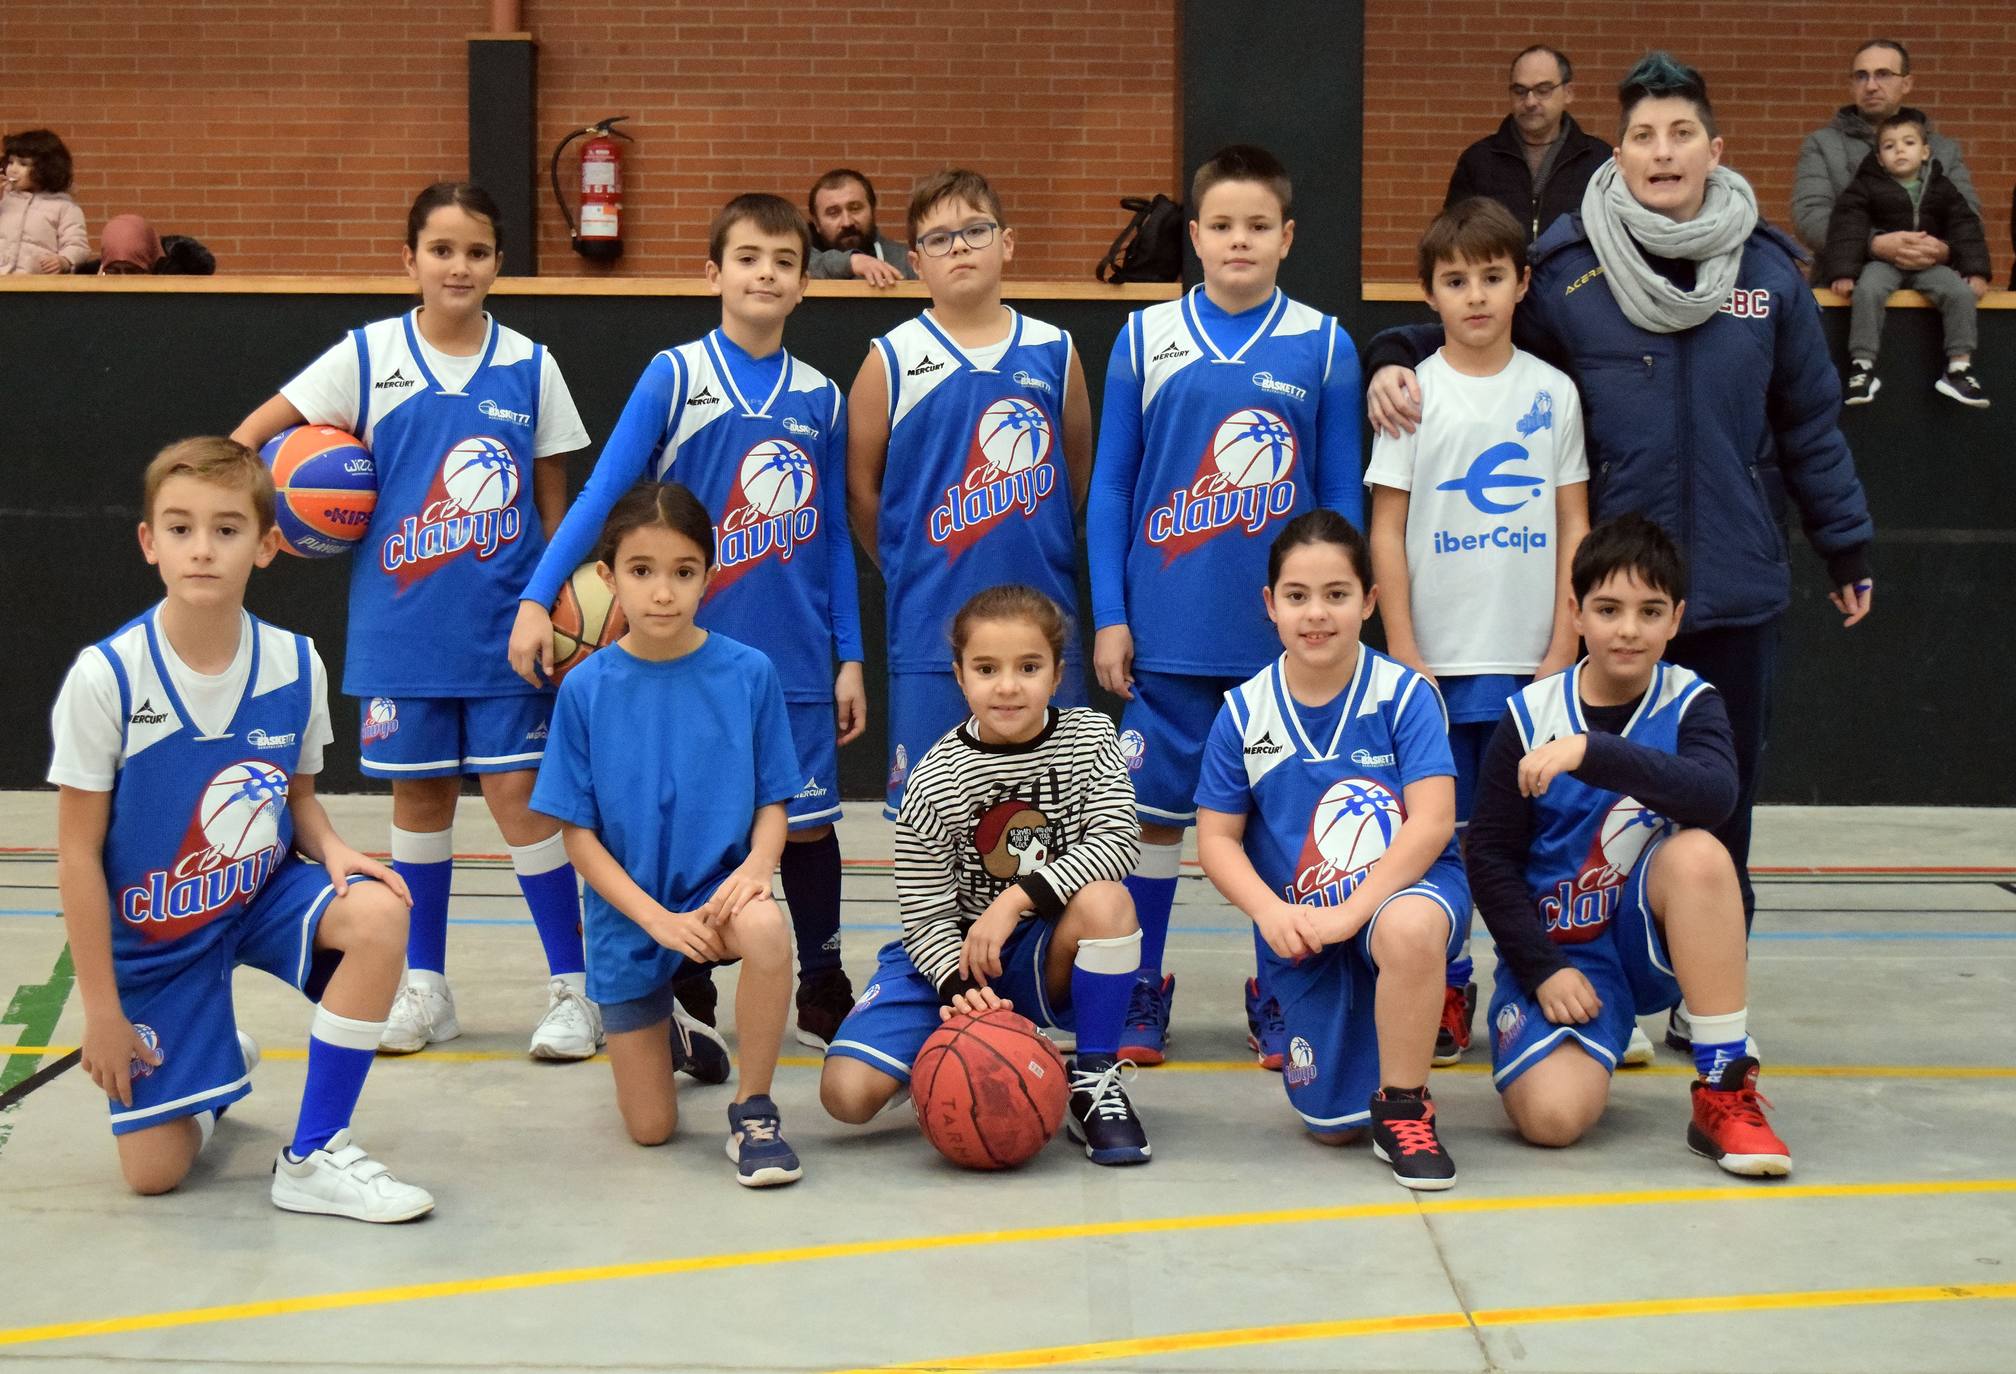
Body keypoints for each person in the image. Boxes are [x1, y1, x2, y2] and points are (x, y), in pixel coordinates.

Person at [1362, 55, 1875, 1057]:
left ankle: (1703, 997)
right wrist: (1390, 352)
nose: (1663, 152)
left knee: (1717, 807)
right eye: (1644, 135)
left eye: (1681, 133)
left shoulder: (1769, 276)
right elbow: (1473, 323)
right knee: (1589, 801)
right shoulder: (1569, 269)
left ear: (1714, 150)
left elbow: (1812, 423)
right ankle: (1596, 979)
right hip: (1612, 601)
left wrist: (1844, 540)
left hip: (1728, 590)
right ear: (1621, 152)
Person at [229, 182, 598, 1062]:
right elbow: (251, 438)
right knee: (420, 804)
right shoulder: (364, 357)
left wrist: (547, 606)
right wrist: (264, 521)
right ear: (410, 261)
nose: (458, 266)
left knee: (522, 805)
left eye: (475, 251)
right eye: (441, 249)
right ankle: (425, 988)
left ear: (498, 264)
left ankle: (574, 991)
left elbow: (559, 509)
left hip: (508, 630)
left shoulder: (530, 365)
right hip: (400, 631)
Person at [512, 193, 866, 1059]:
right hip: (684, 659)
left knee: (810, 826)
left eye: (784, 262)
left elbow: (831, 541)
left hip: (790, 654)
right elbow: (604, 492)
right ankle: (686, 985)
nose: (766, 274)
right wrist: (535, 595)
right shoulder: (677, 374)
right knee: (694, 824)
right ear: (714, 273)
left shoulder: (820, 395)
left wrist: (850, 653)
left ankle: (820, 982)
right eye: (748, 258)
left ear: (803, 285)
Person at [49, 437, 433, 1221]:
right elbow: (78, 855)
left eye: (226, 530)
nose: (202, 549)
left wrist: (332, 848)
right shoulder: (107, 677)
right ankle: (211, 1073)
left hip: (257, 898)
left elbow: (298, 801)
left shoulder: (296, 663)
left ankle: (316, 1151)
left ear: (266, 546)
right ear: (150, 542)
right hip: (158, 933)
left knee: (381, 912)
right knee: (153, 1175)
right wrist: (102, 1013)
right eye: (181, 528)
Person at [1084, 143, 1361, 1068]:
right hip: (1165, 632)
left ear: (1286, 237)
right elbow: (1112, 491)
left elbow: (1338, 505)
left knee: (1280, 819)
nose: (1239, 241)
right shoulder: (1143, 339)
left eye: (1257, 226)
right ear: (1194, 235)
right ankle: (1141, 990)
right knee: (1153, 823)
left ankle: (1275, 991)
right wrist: (1113, 614)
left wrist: (1340, 617)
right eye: (1221, 226)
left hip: (1280, 645)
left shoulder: (1325, 344)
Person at [1466, 514, 1790, 1177]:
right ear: (1576, 613)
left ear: (1676, 619)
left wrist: (1593, 753)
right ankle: (1600, 1035)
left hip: (1649, 941)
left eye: (1649, 611)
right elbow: (1490, 857)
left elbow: (1713, 795)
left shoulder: (1692, 701)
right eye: (1609, 609)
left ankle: (1724, 1086)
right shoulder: (1529, 714)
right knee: (1553, 1121)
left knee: (1700, 854)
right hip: (1565, 954)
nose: (1628, 629)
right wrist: (1541, 969)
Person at [1363, 197, 1590, 1069]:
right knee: (1442, 837)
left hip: (1531, 661)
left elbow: (1575, 522)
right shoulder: (1415, 395)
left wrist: (1563, 642)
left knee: (1534, 834)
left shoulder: (1553, 392)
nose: (1477, 296)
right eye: (1456, 281)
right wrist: (1406, 649)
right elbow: (1388, 526)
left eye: (1493, 277)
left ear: (1523, 283)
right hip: (1439, 664)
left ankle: (1531, 980)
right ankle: (1449, 984)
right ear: (1430, 294)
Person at [818, 584, 1152, 1166]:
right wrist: (959, 990)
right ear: (959, 676)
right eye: (986, 668)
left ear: (1056, 674)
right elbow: (925, 916)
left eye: (1028, 667)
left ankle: (1094, 1081)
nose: (1007, 685)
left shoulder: (1093, 739)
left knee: (1109, 902)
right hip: (951, 954)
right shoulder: (935, 778)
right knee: (844, 1096)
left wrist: (1017, 899)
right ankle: (947, 1060)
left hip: (1042, 946)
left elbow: (1120, 841)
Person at [529, 482, 802, 1185]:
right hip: (632, 911)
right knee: (651, 1131)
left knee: (769, 931)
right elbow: (578, 838)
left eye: (683, 572)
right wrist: (657, 921)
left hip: (721, 893)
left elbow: (775, 800)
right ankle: (671, 1028)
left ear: (709, 576)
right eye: (642, 571)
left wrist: (757, 870)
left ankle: (755, 1109)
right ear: (608, 576)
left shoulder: (749, 673)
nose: (662, 592)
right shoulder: (586, 690)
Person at [1195, 512, 1466, 1190]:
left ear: (1369, 602)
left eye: (1337, 594)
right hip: (1305, 925)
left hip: (1401, 896)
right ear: (1271, 606)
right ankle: (1361, 1048)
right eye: (1298, 596)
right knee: (1333, 1123)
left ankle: (1406, 1107)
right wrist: (1267, 911)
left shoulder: (1404, 696)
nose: (1317, 614)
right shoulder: (1244, 712)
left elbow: (1432, 822)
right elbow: (1216, 838)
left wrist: (1354, 912)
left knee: (1405, 928)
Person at [846, 168, 1093, 820]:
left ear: (1006, 243)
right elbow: (861, 492)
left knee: (1056, 822)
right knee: (936, 824)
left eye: (974, 231)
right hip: (933, 630)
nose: (959, 247)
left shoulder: (1054, 350)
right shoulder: (890, 358)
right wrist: (906, 564)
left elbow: (1076, 469)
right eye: (938, 238)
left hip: (1044, 623)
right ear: (914, 261)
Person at [1821, 113, 1991, 408]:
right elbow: (1848, 226)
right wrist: (1844, 271)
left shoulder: (1942, 187)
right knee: (1868, 290)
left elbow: (1965, 226)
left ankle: (1959, 367)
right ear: (1879, 158)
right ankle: (1862, 366)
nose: (1899, 150)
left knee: (1959, 293)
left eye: (1908, 143)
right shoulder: (1866, 185)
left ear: (1925, 151)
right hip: (1883, 264)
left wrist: (1975, 271)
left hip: (1930, 264)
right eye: (1889, 146)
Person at [1791, 39, 1979, 271]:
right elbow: (1811, 218)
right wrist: (1874, 244)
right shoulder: (1822, 144)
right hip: (1845, 287)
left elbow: (1968, 218)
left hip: (1932, 288)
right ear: (1851, 85)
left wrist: (1942, 250)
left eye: (1883, 74)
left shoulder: (1943, 150)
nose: (1871, 86)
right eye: (1861, 76)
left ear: (1907, 83)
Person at [1445, 46, 1612, 243]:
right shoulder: (1478, 161)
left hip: (1575, 274)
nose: (1530, 101)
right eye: (1520, 91)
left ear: (1568, 92)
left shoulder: (1599, 161)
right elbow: (1453, 238)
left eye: (1543, 90)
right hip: (1502, 273)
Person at [807, 168, 917, 286]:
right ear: (817, 223)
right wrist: (851, 262)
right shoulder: (801, 262)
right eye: (833, 213)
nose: (847, 222)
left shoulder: (906, 261)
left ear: (872, 209)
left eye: (855, 208)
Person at [2, 128, 88, 274]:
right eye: (10, 162)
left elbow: (77, 245)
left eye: (23, 164)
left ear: (45, 168)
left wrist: (64, 260)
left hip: (38, 284)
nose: (13, 170)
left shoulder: (64, 207)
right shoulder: (4, 199)